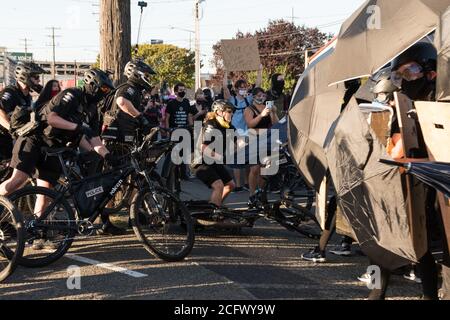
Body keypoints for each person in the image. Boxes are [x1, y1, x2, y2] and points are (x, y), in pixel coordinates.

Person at [0, 68, 120, 246]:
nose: (104, 94)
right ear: (92, 85)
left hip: (54, 148)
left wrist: (105, 155)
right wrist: (78, 128)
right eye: (103, 90)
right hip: (34, 140)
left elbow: (93, 139)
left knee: (46, 193)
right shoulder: (72, 95)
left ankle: (37, 233)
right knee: (18, 180)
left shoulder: (92, 108)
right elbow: (52, 119)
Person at [192, 100, 236, 207]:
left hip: (213, 160)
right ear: (218, 112)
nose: (231, 114)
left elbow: (237, 144)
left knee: (230, 185)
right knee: (218, 185)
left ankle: (214, 205)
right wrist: (220, 157)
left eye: (232, 111)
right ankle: (213, 212)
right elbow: (203, 147)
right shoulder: (210, 125)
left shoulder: (228, 126)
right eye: (228, 111)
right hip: (200, 160)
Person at [102, 59, 156, 143]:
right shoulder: (129, 88)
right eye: (146, 75)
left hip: (125, 134)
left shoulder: (135, 90)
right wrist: (140, 117)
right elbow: (121, 101)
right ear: (137, 74)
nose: (148, 79)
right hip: (118, 138)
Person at [0, 61, 45, 160]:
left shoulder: (27, 95)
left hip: (11, 138)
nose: (38, 81)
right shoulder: (10, 92)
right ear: (25, 77)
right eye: (36, 77)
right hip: (2, 137)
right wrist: (13, 130)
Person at [244, 87, 279, 208]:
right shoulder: (249, 109)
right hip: (254, 139)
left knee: (265, 169)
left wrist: (273, 112)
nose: (262, 98)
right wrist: (261, 115)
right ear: (253, 96)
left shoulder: (267, 108)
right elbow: (250, 124)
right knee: (254, 169)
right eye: (259, 95)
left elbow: (276, 124)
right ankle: (252, 195)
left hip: (267, 140)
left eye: (263, 96)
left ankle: (261, 194)